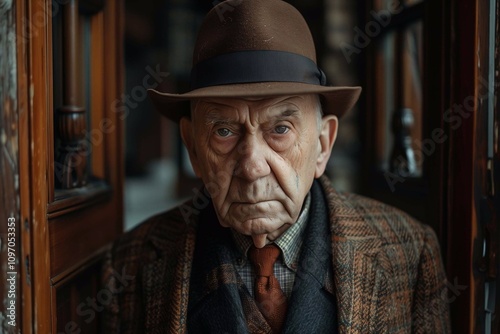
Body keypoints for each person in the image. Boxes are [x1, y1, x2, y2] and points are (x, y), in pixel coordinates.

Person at [102, 0, 451, 332]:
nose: (252, 167)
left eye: (280, 129)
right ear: (193, 147)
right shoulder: (129, 265)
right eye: (224, 131)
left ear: (322, 145)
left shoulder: (410, 252)